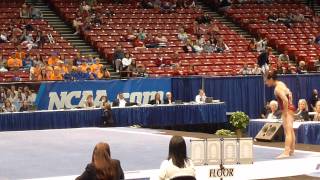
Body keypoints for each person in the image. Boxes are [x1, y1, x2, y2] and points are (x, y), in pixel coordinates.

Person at [265, 71, 295, 158]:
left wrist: (285, 112)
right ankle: (291, 150)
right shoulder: (282, 83)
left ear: (271, 79)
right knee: (291, 130)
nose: (266, 83)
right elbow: (290, 94)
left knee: (287, 131)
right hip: (291, 108)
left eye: (266, 81)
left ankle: (286, 152)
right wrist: (291, 103)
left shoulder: (277, 89)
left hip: (287, 109)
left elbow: (285, 100)